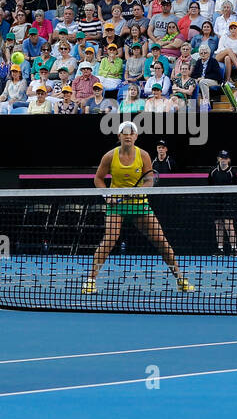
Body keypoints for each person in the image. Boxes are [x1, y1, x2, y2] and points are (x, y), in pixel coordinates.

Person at [83, 121, 194, 295]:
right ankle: (90, 281)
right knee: (109, 240)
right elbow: (98, 178)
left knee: (162, 242)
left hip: (139, 205)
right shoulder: (109, 156)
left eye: (131, 133)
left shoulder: (143, 155)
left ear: (135, 136)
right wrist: (108, 196)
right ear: (119, 136)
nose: (128, 135)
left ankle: (180, 279)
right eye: (124, 133)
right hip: (116, 206)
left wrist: (141, 190)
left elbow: (150, 179)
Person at [208, 150, 237, 255]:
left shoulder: (232, 173)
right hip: (216, 201)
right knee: (218, 224)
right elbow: (209, 185)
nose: (224, 160)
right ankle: (220, 249)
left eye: (225, 158)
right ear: (218, 159)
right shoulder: (213, 172)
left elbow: (236, 187)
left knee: (228, 224)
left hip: (228, 201)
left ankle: (234, 249)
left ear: (229, 160)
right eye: (222, 158)